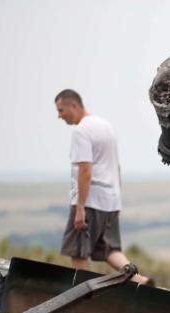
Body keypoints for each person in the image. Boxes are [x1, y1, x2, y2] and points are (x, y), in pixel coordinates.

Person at [54, 89, 150, 285]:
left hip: (90, 200)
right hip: (111, 199)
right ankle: (141, 281)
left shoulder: (81, 130)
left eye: (61, 110)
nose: (59, 115)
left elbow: (85, 171)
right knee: (109, 250)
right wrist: (117, 201)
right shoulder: (106, 126)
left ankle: (81, 297)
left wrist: (80, 208)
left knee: (78, 252)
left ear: (74, 105)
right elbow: (117, 166)